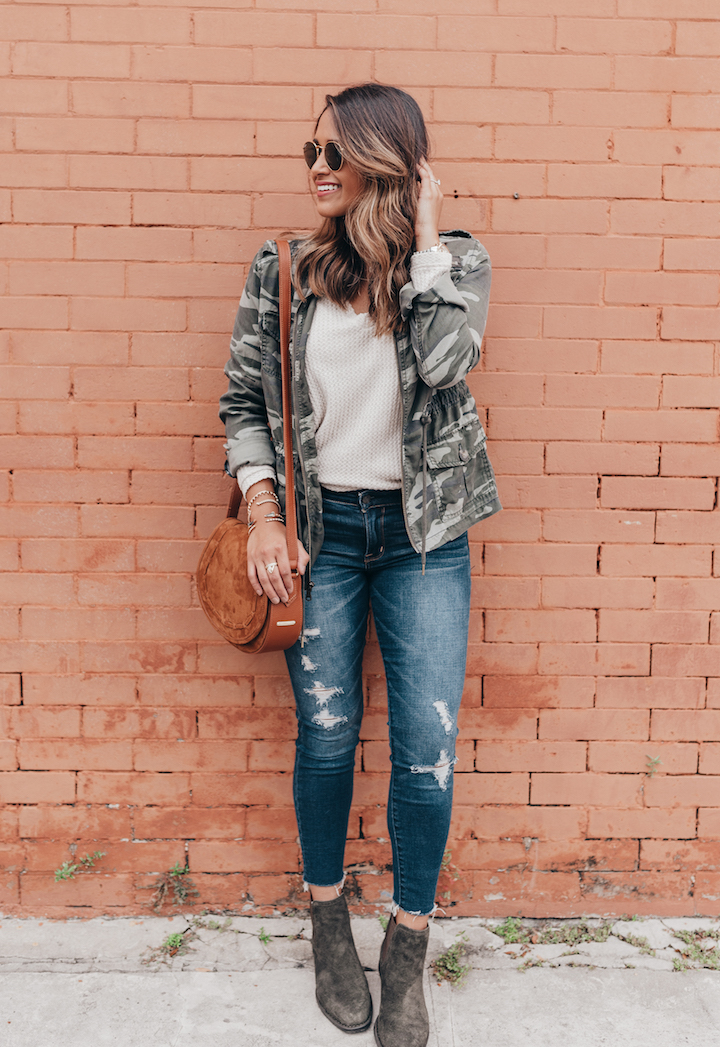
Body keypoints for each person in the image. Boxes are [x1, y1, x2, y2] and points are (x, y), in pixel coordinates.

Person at [219, 83, 500, 1047]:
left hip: (425, 540)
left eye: (335, 152)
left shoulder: (455, 263)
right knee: (328, 737)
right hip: (322, 539)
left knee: (425, 753)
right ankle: (330, 924)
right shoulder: (286, 270)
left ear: (389, 159)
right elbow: (241, 404)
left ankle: (409, 949)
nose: (316, 168)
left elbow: (448, 363)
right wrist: (264, 514)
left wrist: (424, 239)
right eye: (311, 150)